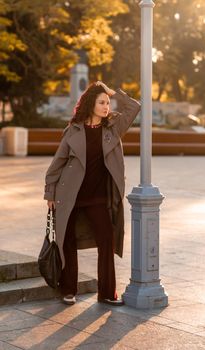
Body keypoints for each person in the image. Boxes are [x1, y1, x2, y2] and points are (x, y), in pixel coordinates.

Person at [43, 81, 141, 306]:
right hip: (70, 196)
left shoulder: (113, 128)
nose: (106, 107)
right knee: (67, 242)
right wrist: (50, 194)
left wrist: (114, 92)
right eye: (102, 102)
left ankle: (107, 293)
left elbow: (134, 107)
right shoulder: (73, 130)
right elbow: (57, 164)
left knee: (107, 240)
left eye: (108, 103)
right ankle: (68, 290)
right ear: (91, 104)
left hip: (98, 198)